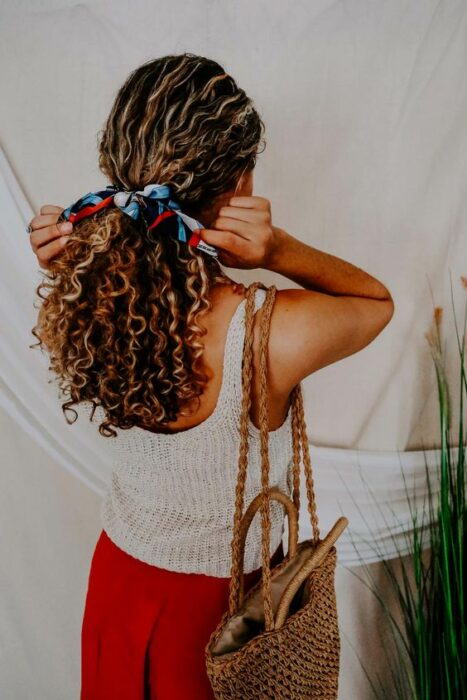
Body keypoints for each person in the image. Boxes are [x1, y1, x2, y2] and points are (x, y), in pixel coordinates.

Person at [27, 53, 394, 700]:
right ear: (240, 186)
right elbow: (374, 305)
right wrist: (278, 249)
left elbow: (113, 255)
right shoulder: (264, 333)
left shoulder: (94, 294)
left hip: (117, 585)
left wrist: (68, 257)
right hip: (226, 620)